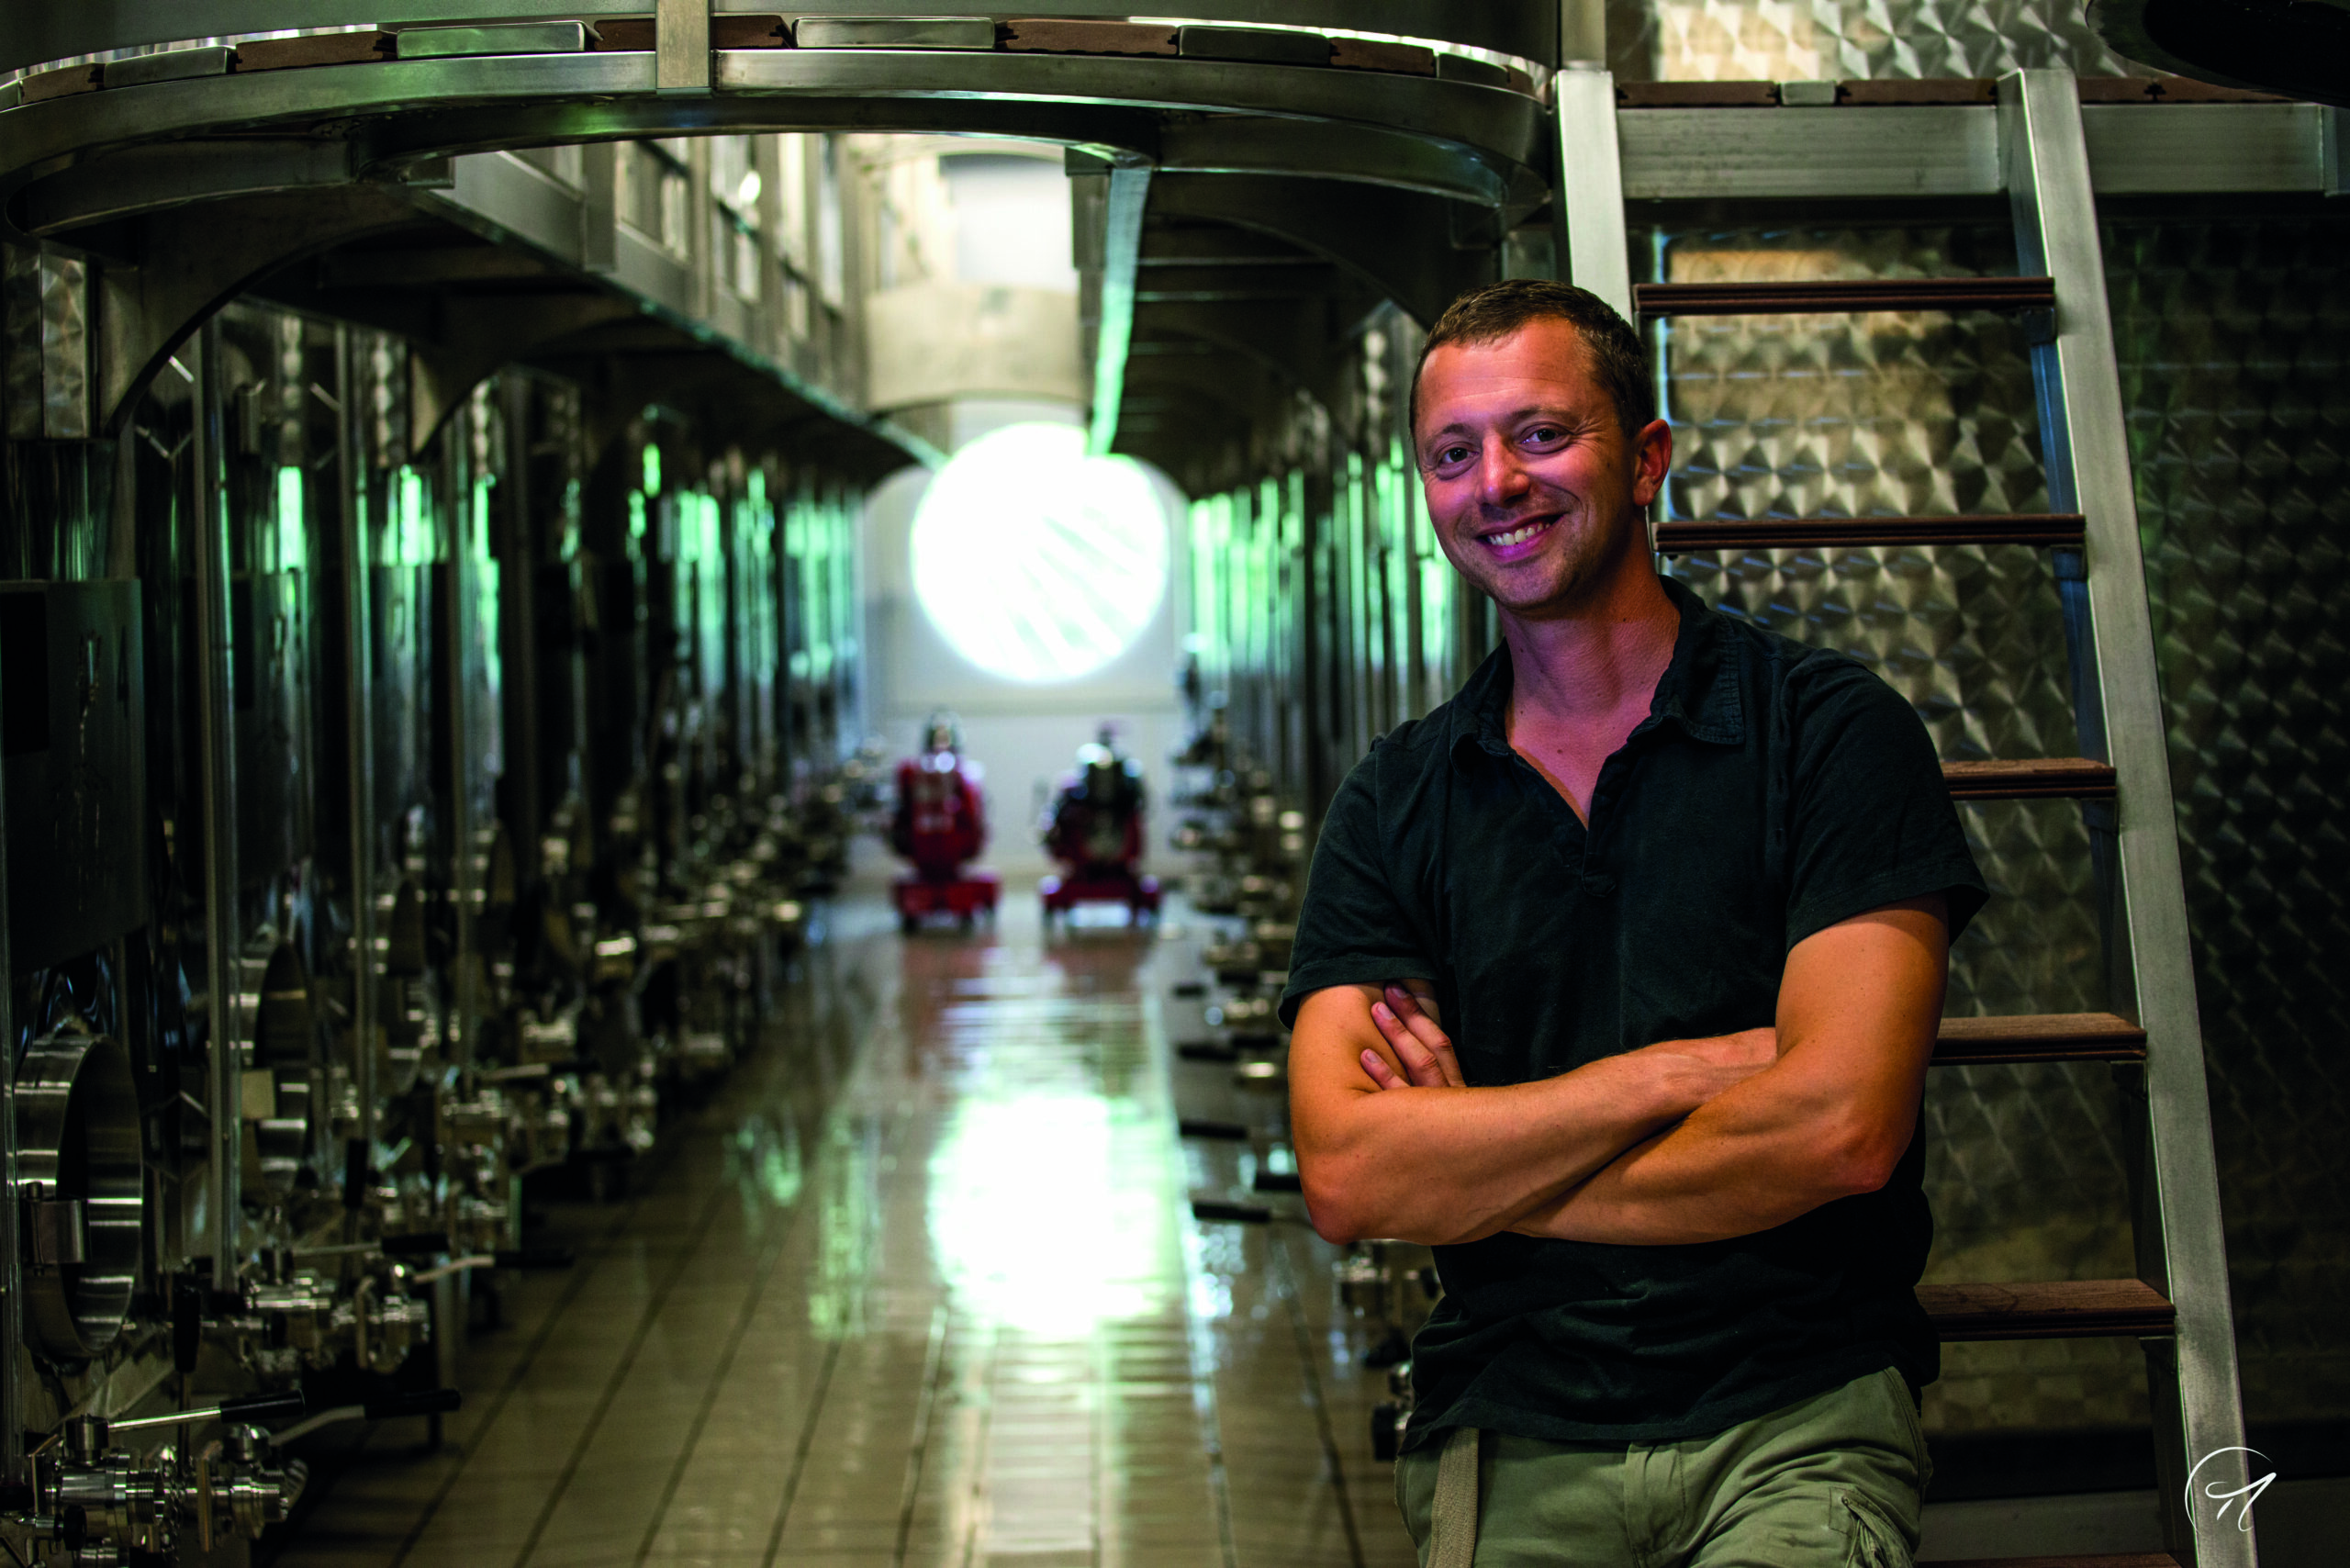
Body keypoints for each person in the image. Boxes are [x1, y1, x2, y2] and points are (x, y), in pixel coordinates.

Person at [1281, 279, 1987, 1568]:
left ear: (1648, 457)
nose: (1497, 483)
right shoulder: (1396, 802)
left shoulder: (1828, 737)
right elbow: (1348, 1174)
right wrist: (1669, 1078)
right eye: (1453, 453)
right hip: (1511, 1426)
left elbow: (1839, 1132)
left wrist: (1484, 1179)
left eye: (1543, 435)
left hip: (1791, 1421)